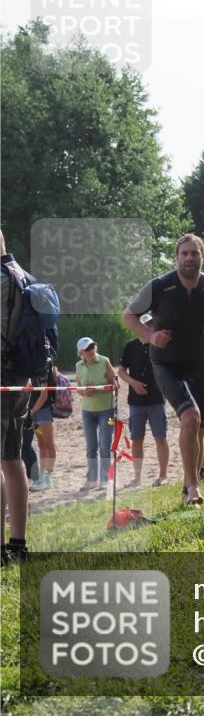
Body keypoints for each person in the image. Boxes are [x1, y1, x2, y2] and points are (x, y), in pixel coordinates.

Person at [123, 233, 204, 506]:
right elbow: (128, 316)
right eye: (184, 253)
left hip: (200, 365)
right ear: (177, 257)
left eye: (194, 253)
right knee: (189, 417)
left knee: (198, 429)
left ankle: (190, 484)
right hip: (166, 364)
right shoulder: (160, 286)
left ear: (203, 257)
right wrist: (150, 336)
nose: (189, 258)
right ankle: (193, 488)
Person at [1, 231, 31, 564]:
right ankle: (18, 545)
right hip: (19, 377)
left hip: (1, 376)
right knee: (13, 459)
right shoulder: (22, 275)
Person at [118, 336, 170, 488]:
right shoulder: (130, 346)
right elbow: (121, 371)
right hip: (136, 401)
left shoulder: (160, 344)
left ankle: (163, 476)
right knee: (137, 439)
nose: (147, 327)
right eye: (144, 324)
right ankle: (137, 478)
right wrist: (133, 383)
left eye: (150, 324)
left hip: (157, 400)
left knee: (160, 437)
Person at [74, 337, 116, 491]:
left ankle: (105, 480)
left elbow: (115, 383)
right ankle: (92, 480)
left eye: (92, 346)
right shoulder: (78, 365)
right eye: (87, 348)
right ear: (81, 352)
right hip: (87, 411)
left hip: (106, 409)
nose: (91, 350)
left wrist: (101, 388)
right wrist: (84, 392)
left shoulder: (104, 360)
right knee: (91, 447)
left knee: (105, 446)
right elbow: (78, 388)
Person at [26, 360, 58, 491]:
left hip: (43, 411)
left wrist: (31, 412)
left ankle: (47, 477)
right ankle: (42, 477)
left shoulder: (43, 366)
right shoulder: (29, 367)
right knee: (41, 444)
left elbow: (44, 395)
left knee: (49, 444)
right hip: (34, 412)